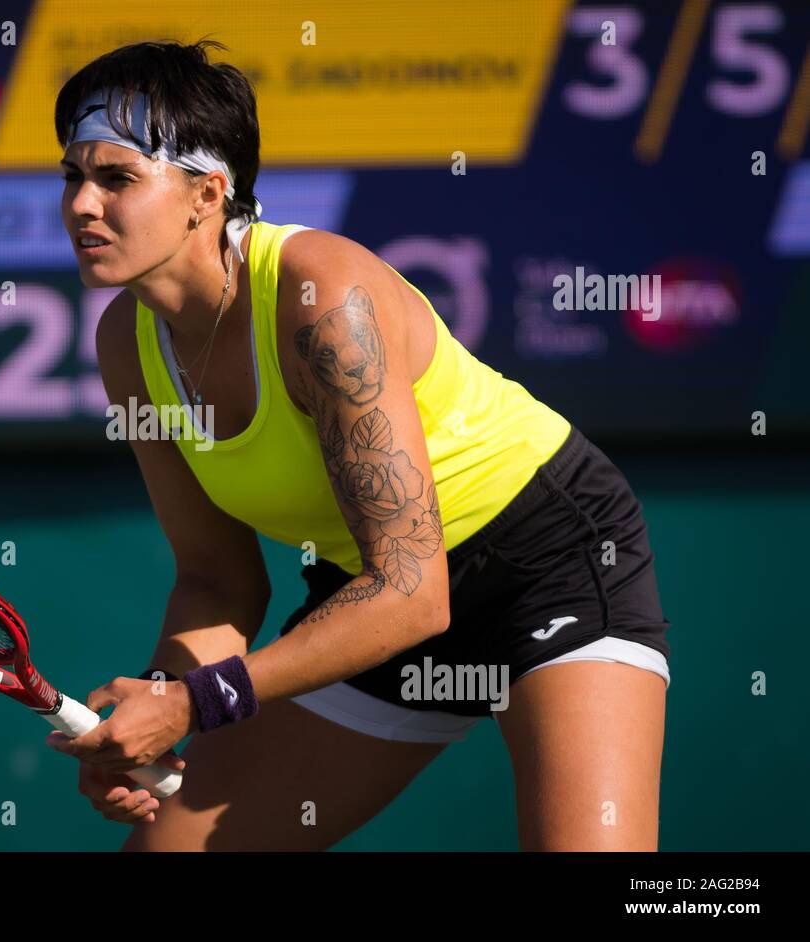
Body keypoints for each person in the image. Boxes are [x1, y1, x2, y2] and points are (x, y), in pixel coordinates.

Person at [47, 39, 671, 851]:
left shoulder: (320, 298)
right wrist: (151, 714)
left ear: (208, 193)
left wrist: (194, 703)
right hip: (370, 599)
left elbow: (414, 592)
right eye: (72, 177)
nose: (81, 206)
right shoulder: (126, 344)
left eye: (116, 178)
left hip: (546, 564)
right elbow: (217, 580)